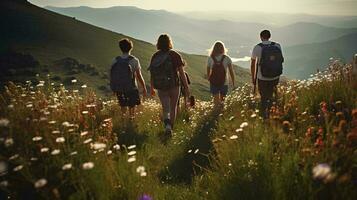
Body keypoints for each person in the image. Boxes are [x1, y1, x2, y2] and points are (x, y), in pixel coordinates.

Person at [149, 34, 190, 135]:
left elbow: (152, 73)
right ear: (169, 43)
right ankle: (170, 127)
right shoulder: (174, 55)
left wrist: (152, 87)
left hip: (161, 87)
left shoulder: (155, 56)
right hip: (174, 85)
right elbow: (181, 72)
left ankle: (167, 126)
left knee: (165, 108)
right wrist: (186, 87)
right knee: (173, 107)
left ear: (158, 43)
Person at [110, 38, 147, 119]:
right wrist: (144, 87)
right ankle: (130, 122)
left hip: (119, 88)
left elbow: (112, 75)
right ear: (131, 47)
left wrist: (113, 88)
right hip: (132, 88)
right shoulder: (134, 60)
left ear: (120, 47)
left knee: (123, 106)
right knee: (132, 107)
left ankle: (123, 121)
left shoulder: (115, 60)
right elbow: (139, 75)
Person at [251, 30, 284, 119]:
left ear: (261, 37)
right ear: (269, 36)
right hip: (275, 76)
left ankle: (265, 116)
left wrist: (253, 78)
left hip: (262, 77)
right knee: (273, 95)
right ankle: (275, 114)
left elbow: (253, 63)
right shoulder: (277, 45)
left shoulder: (257, 47)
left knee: (264, 97)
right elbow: (280, 60)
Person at [207, 41, 236, 106]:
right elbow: (231, 71)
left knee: (216, 101)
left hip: (213, 82)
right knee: (223, 101)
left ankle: (215, 113)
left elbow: (208, 70)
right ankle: (222, 114)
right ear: (223, 48)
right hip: (224, 82)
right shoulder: (227, 58)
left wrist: (209, 78)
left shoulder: (210, 58)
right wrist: (233, 81)